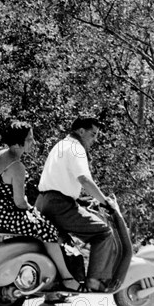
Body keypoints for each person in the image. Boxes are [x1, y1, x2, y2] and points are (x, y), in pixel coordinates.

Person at [0, 121, 80, 290]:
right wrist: (32, 209)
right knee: (49, 230)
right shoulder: (17, 166)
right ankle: (67, 277)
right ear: (19, 142)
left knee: (41, 223)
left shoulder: (1, 155)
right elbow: (19, 203)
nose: (33, 143)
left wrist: (3, 192)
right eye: (30, 139)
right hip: (5, 213)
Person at [35, 117, 116, 292]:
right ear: (81, 131)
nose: (94, 140)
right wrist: (105, 202)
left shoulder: (61, 145)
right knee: (103, 232)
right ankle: (94, 280)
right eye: (92, 135)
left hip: (42, 202)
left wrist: (82, 200)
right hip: (59, 206)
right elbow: (84, 179)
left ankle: (55, 288)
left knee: (65, 240)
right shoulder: (77, 148)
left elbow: (60, 181)